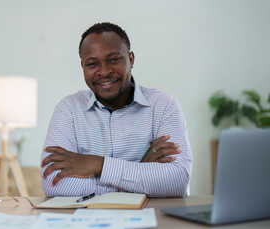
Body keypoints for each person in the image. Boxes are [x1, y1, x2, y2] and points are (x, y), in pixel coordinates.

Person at [40, 22, 193, 197]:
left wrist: (97, 165)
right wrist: (142, 174)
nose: (104, 72)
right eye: (92, 64)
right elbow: (54, 184)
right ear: (82, 66)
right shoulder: (68, 109)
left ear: (131, 59)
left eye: (113, 60)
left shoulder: (164, 105)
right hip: (87, 221)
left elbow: (177, 181)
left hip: (155, 219)